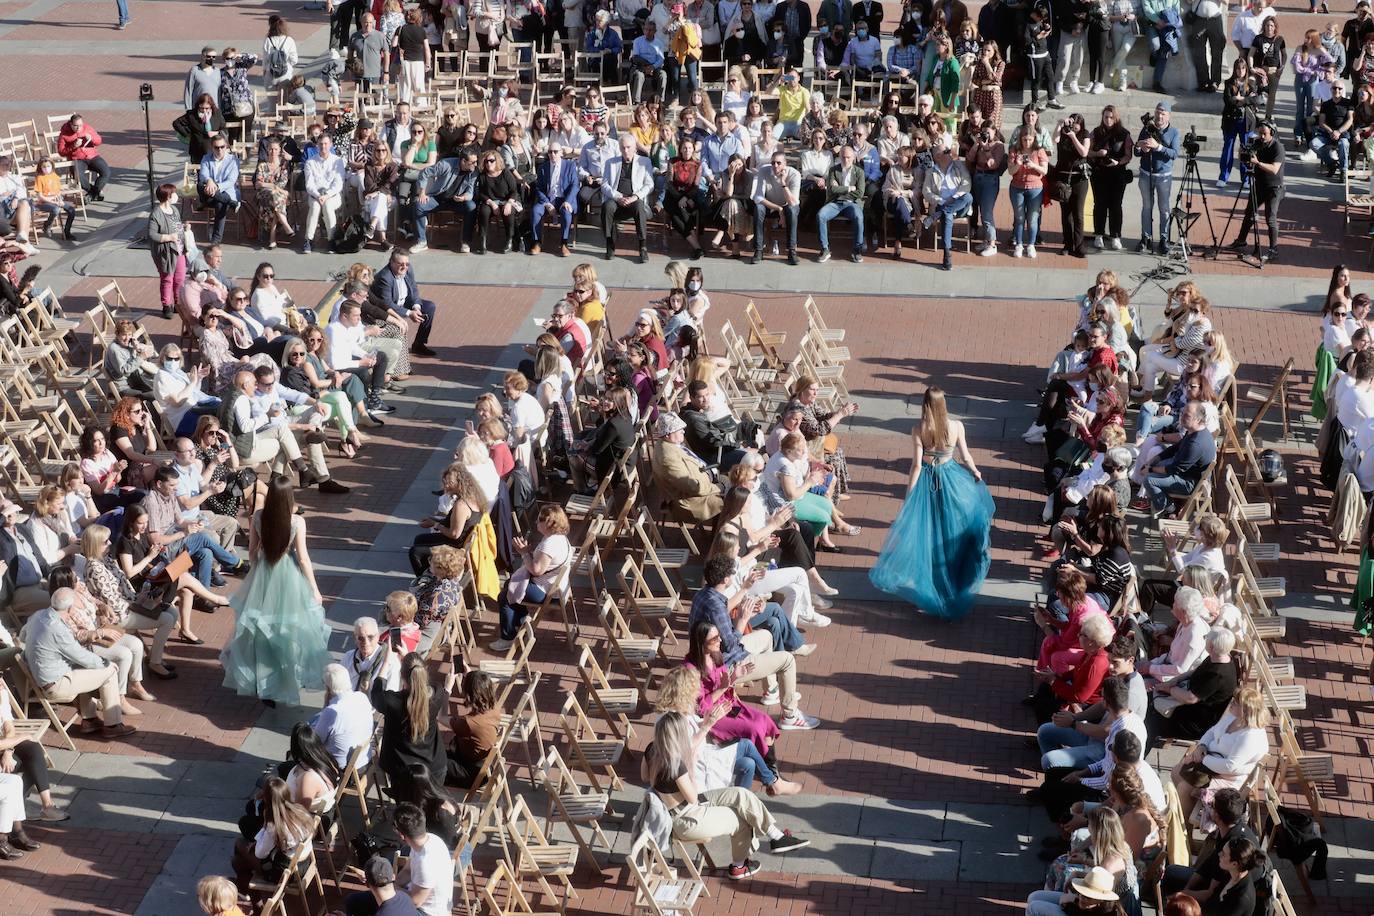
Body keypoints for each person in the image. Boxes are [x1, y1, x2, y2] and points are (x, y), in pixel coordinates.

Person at [643, 713, 809, 881]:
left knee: (741, 793)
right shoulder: (676, 764)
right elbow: (693, 797)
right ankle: (739, 866)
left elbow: (644, 776)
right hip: (686, 819)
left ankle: (776, 836)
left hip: (680, 807)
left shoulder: (651, 750)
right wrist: (691, 764)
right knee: (741, 820)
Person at [220, 474, 328, 707]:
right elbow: (304, 559)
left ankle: (261, 682)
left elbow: (251, 552)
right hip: (288, 576)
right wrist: (315, 589)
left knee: (259, 628)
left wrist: (258, 566)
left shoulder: (258, 517)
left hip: (263, 574)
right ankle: (284, 678)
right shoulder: (297, 522)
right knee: (287, 628)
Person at [24, 589, 136, 738]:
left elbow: (22, 635)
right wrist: (107, 664)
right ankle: (113, 725)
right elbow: (81, 656)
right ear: (70, 608)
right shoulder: (57, 629)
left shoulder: (37, 616)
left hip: (44, 677)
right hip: (56, 684)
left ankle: (90, 720)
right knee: (109, 672)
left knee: (83, 667)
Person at [492, 504, 572, 649]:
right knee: (509, 584)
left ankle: (508, 638)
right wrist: (528, 552)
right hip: (556, 586)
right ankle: (521, 619)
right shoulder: (560, 538)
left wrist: (523, 553)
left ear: (549, 523)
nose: (536, 522)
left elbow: (537, 570)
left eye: (540, 519)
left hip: (547, 592)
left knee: (505, 596)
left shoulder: (549, 544)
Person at [373, 651, 449, 799]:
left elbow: (376, 693)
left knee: (409, 816)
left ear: (402, 675)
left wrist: (386, 663)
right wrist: (409, 661)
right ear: (424, 671)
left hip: (404, 770)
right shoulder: (437, 693)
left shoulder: (392, 702)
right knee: (431, 808)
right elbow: (422, 681)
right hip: (434, 767)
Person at [1226, 119, 1283, 262]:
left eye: (1265, 134)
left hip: (1274, 188)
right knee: (1249, 213)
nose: (1262, 136)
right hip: (1259, 185)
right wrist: (1242, 151)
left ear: (1272, 132)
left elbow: (1274, 169)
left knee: (1270, 218)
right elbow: (1244, 160)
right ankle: (1241, 240)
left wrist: (1257, 163)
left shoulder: (1278, 147)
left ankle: (1273, 249)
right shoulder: (1256, 143)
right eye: (1260, 133)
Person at [371, 248, 438, 359]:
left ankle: (419, 344)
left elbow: (413, 288)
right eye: (401, 264)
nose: (405, 267)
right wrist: (408, 313)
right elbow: (387, 303)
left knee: (429, 307)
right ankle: (400, 362)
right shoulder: (385, 278)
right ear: (391, 262)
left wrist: (416, 307)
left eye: (407, 264)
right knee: (400, 326)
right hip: (388, 308)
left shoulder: (408, 269)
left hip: (404, 302)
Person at [1135, 101, 1180, 256]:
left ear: (1168, 115)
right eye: (1158, 112)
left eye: (1163, 113)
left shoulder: (1174, 132)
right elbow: (1137, 150)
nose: (1159, 116)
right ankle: (1145, 238)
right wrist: (1141, 147)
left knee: (1164, 209)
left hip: (1163, 176)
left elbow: (1174, 154)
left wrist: (1158, 147)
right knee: (1147, 207)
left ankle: (1164, 239)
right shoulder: (1147, 128)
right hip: (1146, 174)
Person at [311, 662, 376, 769]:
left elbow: (315, 742)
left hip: (342, 768)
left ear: (328, 688)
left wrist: (325, 706)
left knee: (288, 766)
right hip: (364, 760)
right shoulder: (361, 697)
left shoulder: (332, 711)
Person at [602, 133, 655, 263]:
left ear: (635, 147)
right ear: (619, 148)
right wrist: (618, 196)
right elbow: (604, 184)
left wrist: (635, 197)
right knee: (607, 207)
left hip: (634, 198)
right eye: (623, 148)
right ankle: (610, 244)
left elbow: (650, 184)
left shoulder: (644, 162)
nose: (626, 150)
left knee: (639, 206)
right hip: (617, 199)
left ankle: (642, 246)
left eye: (628, 147)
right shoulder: (611, 162)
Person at [921, 145, 973, 270]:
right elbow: (926, 192)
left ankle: (938, 215)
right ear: (938, 156)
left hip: (959, 205)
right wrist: (942, 200)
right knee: (947, 215)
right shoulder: (931, 172)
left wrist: (954, 197)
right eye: (946, 151)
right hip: (941, 204)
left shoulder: (958, 166)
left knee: (968, 197)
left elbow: (967, 184)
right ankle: (947, 254)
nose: (950, 153)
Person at [446, 669, 500, 787]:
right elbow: (479, 687)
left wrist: (447, 689)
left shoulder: (469, 723)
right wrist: (470, 676)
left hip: (470, 774)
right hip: (485, 768)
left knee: (432, 759)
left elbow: (441, 717)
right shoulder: (494, 707)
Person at [816, 144, 866, 264]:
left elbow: (859, 193)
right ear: (839, 157)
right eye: (843, 157)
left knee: (859, 217)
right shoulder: (833, 170)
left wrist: (840, 189)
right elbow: (831, 190)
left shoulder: (859, 172)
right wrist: (849, 188)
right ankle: (825, 249)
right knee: (820, 215)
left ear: (853, 158)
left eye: (848, 157)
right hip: (835, 202)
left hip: (852, 203)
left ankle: (857, 249)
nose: (846, 160)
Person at [529, 144, 578, 256]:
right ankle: (537, 242)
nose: (553, 154)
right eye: (550, 152)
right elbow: (538, 188)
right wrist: (546, 203)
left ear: (561, 153)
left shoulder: (570, 165)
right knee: (536, 211)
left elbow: (575, 185)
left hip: (564, 198)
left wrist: (568, 201)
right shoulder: (543, 167)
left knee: (566, 212)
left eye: (556, 151)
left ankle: (564, 243)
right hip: (548, 199)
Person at [751, 150, 800, 265]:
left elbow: (793, 202)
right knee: (758, 208)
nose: (775, 166)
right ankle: (758, 250)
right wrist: (779, 209)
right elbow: (758, 197)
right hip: (769, 204)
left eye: (778, 163)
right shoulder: (764, 170)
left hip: (787, 205)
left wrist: (783, 183)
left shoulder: (794, 174)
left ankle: (792, 250)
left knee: (792, 211)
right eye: (773, 163)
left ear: (785, 163)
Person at [148, 183, 188, 319]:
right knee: (167, 278)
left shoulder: (175, 210)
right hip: (165, 252)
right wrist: (169, 237)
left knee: (180, 278)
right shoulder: (156, 214)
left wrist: (184, 228)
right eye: (173, 193)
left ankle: (178, 302)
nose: (176, 196)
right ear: (168, 196)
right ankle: (167, 305)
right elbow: (152, 235)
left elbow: (177, 226)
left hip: (179, 249)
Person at [1312, 78, 1354, 179]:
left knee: (1343, 143)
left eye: (1339, 88)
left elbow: (1350, 120)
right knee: (1313, 144)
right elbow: (1322, 122)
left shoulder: (1348, 103)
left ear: (1342, 90)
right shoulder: (1326, 104)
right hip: (1328, 133)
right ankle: (1332, 164)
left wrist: (1338, 132)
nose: (1337, 90)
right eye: (1334, 88)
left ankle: (1343, 170)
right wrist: (1331, 132)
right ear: (1331, 89)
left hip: (1343, 134)